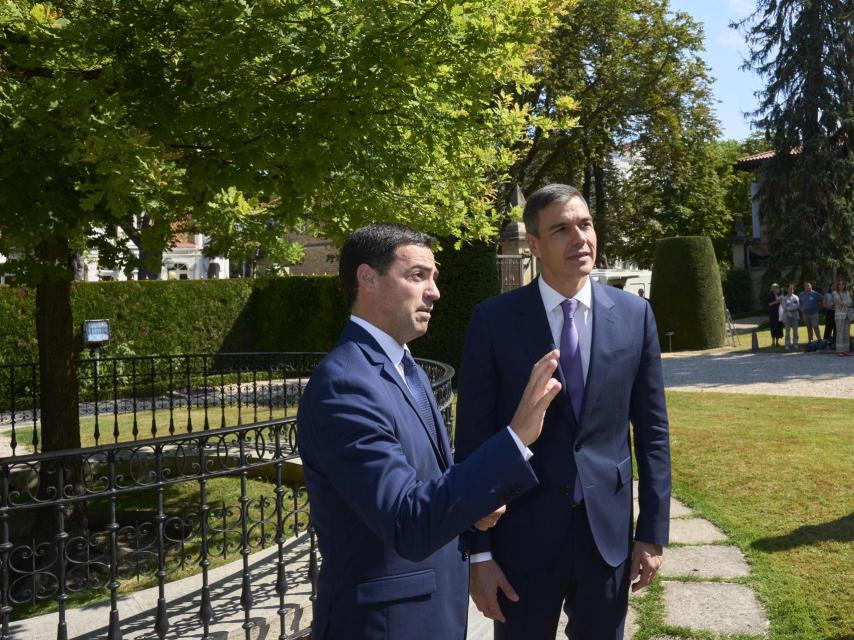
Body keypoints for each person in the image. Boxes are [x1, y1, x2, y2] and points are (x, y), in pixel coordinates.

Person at [296, 223, 562, 640]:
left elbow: (428, 487)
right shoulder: (344, 384)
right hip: (385, 626)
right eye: (418, 275)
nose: (435, 291)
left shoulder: (410, 370)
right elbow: (407, 522)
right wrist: (516, 437)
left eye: (433, 277)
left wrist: (474, 507)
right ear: (368, 278)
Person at [455, 184, 671, 640]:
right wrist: (480, 553)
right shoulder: (493, 321)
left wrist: (651, 533)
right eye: (561, 229)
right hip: (521, 542)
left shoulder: (635, 316)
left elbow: (652, 432)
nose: (580, 238)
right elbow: (473, 441)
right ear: (533, 245)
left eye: (585, 224)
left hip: (606, 540)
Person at [832, 280, 853, 356]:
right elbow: (838, 302)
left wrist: (844, 302)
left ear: (844, 285)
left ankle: (846, 350)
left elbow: (850, 302)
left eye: (843, 284)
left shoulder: (847, 292)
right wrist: (845, 302)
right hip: (839, 316)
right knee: (840, 332)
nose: (841, 285)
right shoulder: (835, 293)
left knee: (846, 332)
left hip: (847, 315)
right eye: (839, 284)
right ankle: (839, 350)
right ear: (837, 285)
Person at [781, 284, 800, 349]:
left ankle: (795, 343)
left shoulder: (795, 297)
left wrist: (788, 308)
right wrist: (788, 309)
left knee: (795, 330)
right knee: (787, 330)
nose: (790, 290)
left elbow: (796, 306)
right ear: (787, 290)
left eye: (791, 289)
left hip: (794, 314)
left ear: (793, 290)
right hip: (787, 315)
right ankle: (787, 344)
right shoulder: (784, 298)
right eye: (789, 289)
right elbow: (784, 306)